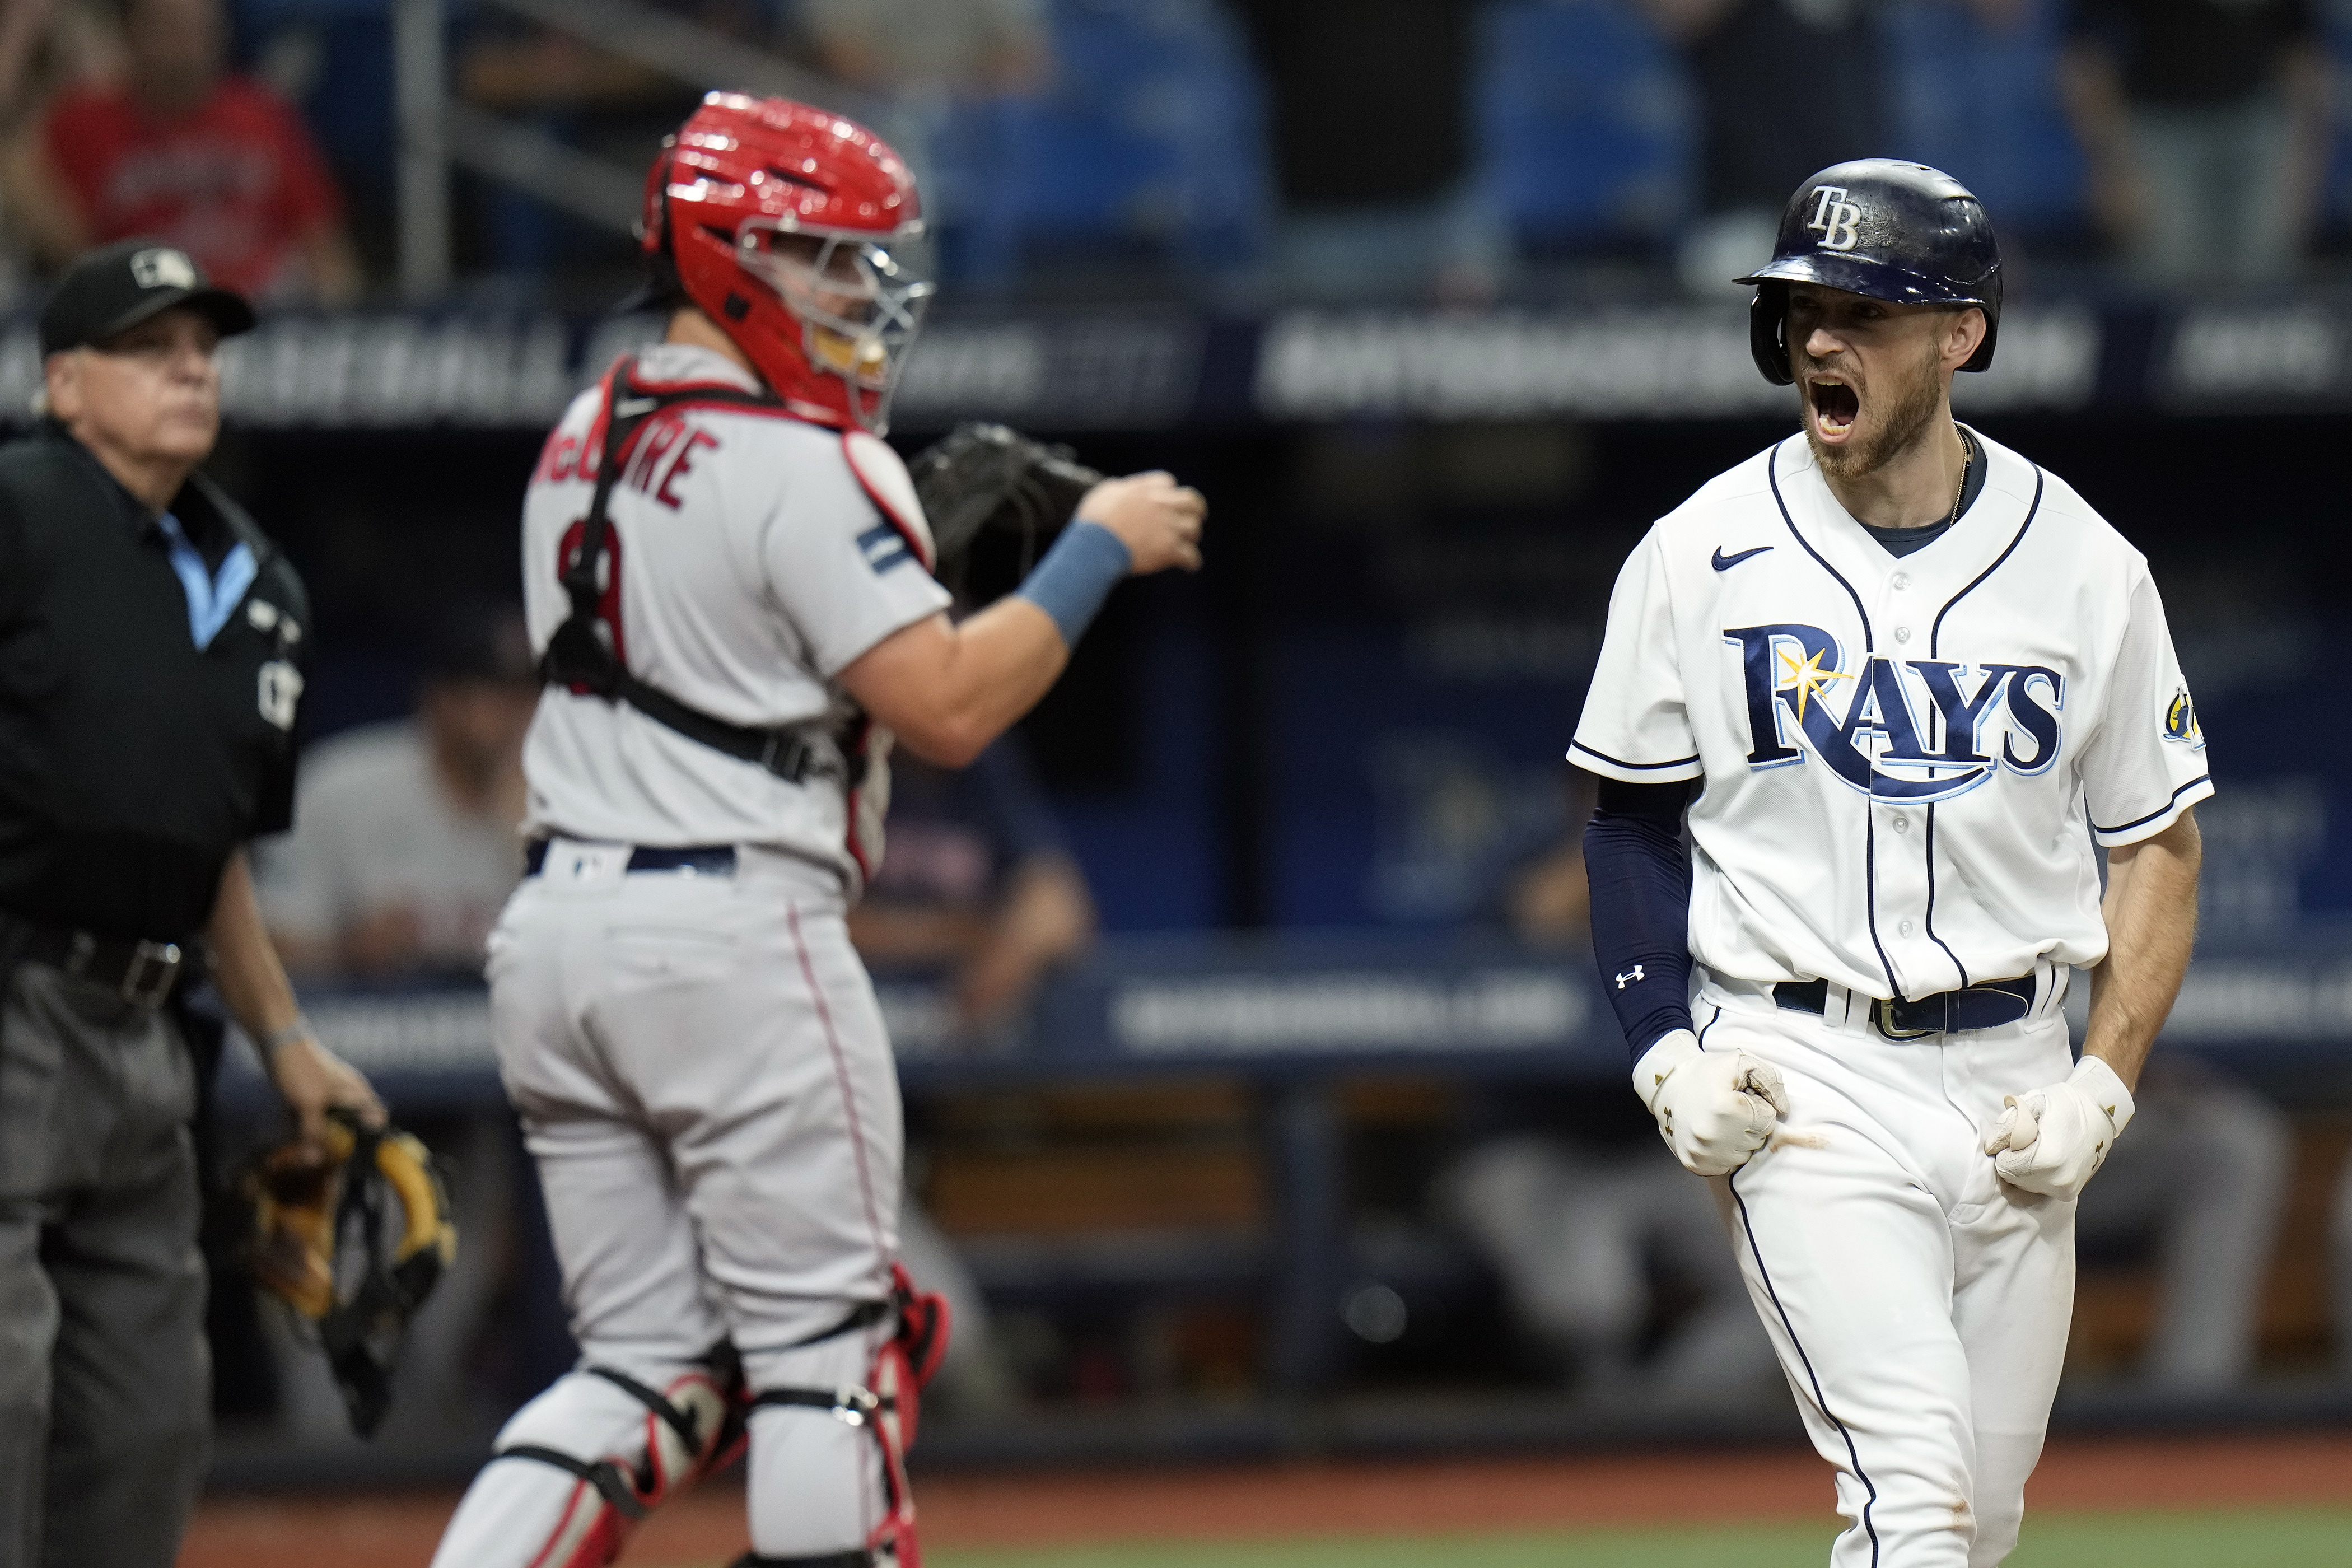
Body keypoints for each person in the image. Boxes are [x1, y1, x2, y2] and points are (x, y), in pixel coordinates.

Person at [426, 91, 1204, 1568]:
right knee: (831, 1355)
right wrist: (1099, 546)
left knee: (640, 1367)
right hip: (731, 941)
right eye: (823, 259)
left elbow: (735, 630)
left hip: (557, 939)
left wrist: (896, 564)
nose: (858, 296)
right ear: (730, 256)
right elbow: (948, 707)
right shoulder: (805, 460)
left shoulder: (584, 433)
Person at [1572, 160, 2207, 1565]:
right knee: (1911, 1496)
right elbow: (1627, 821)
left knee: (1977, 1529)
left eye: (1864, 309)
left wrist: (2106, 1083)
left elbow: (2159, 840)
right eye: (1803, 307)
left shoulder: (2088, 566)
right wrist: (1663, 1053)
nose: (1818, 339)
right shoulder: (1698, 553)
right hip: (1806, 1078)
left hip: (2019, 1078)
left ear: (1959, 336)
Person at [0, 238, 381, 1567]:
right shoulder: (22, 508)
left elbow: (210, 837)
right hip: (16, 991)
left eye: (204, 350)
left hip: (151, 1028)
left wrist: (284, 1037)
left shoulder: (257, 583)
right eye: (150, 350)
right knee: (4, 1399)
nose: (189, 372)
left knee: (147, 1425)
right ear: (63, 384)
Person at [258, 603, 537, 980]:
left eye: (530, 696)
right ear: (441, 701)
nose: (519, 715)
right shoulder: (341, 788)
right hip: (362, 1028)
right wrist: (348, 950)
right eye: (498, 695)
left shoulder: (558, 801)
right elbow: (265, 946)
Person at [24, 0, 358, 302]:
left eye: (202, 27)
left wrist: (337, 324)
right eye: (171, 28)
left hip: (262, 318)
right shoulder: (84, 123)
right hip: (140, 318)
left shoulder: (264, 116)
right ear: (132, 35)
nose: (190, 44)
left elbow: (323, 244)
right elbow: (61, 244)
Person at [2060, 0, 2327, 286]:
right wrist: (2112, 162)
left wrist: (2305, 162)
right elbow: (2085, 52)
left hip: (2258, 124)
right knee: (2165, 277)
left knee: (2268, 278)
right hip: (2157, 129)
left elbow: (2302, 50)